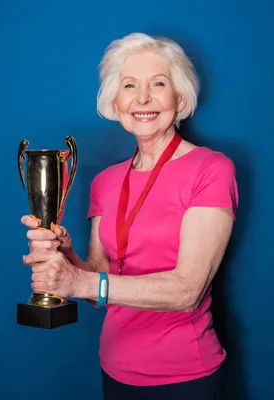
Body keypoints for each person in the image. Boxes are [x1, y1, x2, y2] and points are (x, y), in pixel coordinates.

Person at [21, 32, 238, 399]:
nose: (142, 99)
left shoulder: (212, 169)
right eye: (129, 85)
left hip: (185, 378)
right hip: (115, 369)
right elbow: (97, 286)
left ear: (180, 97)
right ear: (115, 103)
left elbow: (187, 290)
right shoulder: (105, 182)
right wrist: (66, 257)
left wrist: (80, 283)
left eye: (158, 83)